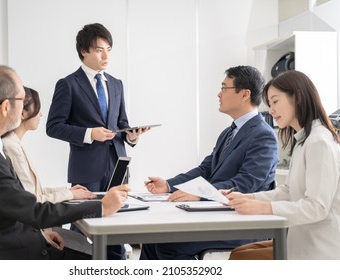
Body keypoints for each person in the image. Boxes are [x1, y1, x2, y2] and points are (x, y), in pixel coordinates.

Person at [0, 64, 130, 260]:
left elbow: (15, 204)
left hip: (4, 242)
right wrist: (101, 207)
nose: (24, 109)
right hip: (11, 254)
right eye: (22, 100)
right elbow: (35, 210)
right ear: (6, 107)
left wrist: (40, 233)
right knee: (100, 263)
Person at [140, 65, 279, 260]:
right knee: (152, 239)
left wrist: (199, 194)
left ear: (244, 94)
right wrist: (169, 185)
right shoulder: (229, 132)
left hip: (243, 223)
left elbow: (246, 183)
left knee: (168, 245)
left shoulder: (263, 135)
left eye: (224, 88)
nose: (218, 94)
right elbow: (205, 169)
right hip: (218, 215)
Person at [46, 23, 147, 259]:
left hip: (117, 166)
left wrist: (131, 137)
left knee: (117, 227)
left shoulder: (116, 84)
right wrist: (89, 134)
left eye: (109, 50)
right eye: (100, 50)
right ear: (84, 51)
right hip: (86, 169)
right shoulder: (68, 84)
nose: (106, 56)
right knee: (80, 228)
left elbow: (122, 123)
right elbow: (53, 127)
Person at [227, 70, 340, 260]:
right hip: (301, 240)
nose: (271, 110)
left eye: (275, 101)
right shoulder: (304, 140)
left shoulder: (319, 142)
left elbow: (317, 207)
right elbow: (288, 191)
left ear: (298, 98)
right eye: (270, 104)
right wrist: (248, 197)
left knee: (242, 260)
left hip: (320, 250)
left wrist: (263, 208)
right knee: (240, 256)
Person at [2, 86, 96, 258]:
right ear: (23, 113)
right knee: (92, 252)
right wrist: (69, 194)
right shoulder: (11, 147)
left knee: (86, 243)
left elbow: (34, 191)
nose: (41, 115)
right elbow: (34, 200)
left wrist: (69, 192)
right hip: (32, 235)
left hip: (34, 229)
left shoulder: (16, 143)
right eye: (38, 109)